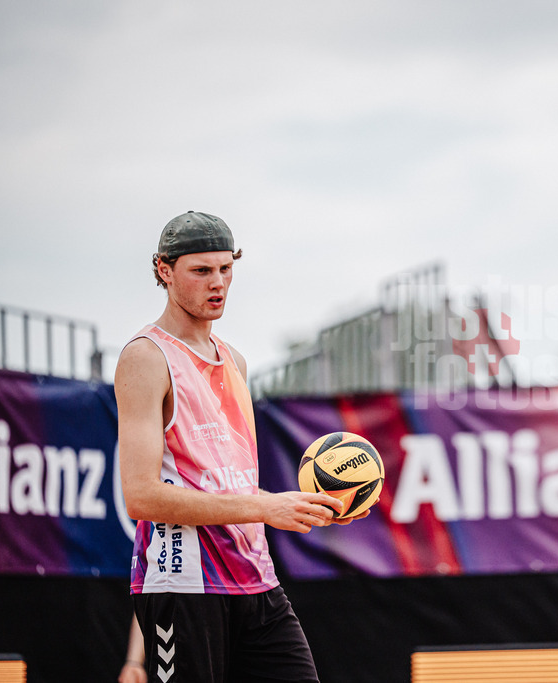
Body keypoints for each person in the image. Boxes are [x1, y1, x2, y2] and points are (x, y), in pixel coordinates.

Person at [115, 210, 367, 682]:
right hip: (184, 586)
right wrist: (265, 507)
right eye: (202, 270)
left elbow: (229, 481)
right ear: (164, 270)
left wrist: (318, 506)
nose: (218, 283)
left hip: (256, 581)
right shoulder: (146, 357)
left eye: (226, 269)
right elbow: (142, 497)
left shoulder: (235, 361)